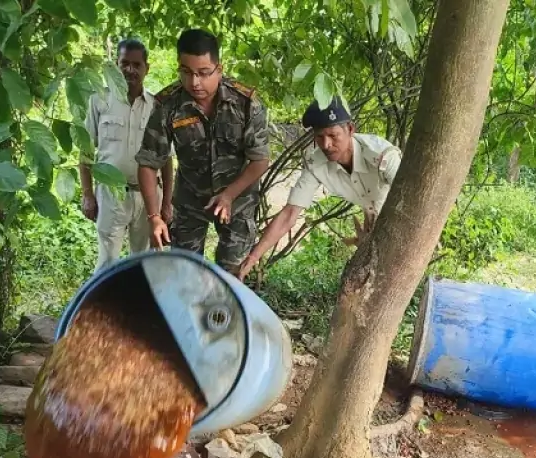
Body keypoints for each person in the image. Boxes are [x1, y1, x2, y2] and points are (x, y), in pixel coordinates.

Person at [135, 29, 270, 275]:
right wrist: (154, 216)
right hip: (189, 201)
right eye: (186, 72)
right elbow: (148, 162)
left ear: (219, 69)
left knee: (232, 276)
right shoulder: (168, 105)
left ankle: (224, 314)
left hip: (237, 201)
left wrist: (229, 195)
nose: (194, 82)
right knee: (185, 273)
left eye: (203, 73)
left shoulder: (246, 103)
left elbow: (260, 160)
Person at [236, 97, 402, 281]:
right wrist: (253, 257)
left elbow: (411, 202)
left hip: (398, 223)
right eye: (320, 137)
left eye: (333, 135)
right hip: (372, 225)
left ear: (350, 129)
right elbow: (290, 213)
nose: (326, 145)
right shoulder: (317, 164)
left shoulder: (382, 156)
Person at [79, 39, 173, 271]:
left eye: (136, 65)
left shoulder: (156, 107)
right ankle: (100, 306)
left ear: (146, 68)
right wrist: (88, 194)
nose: (130, 70)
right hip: (111, 196)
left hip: (148, 197)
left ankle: (136, 306)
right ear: (116, 65)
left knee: (143, 262)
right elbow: (86, 151)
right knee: (106, 262)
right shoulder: (99, 100)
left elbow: (167, 159)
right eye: (125, 64)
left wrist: (167, 203)